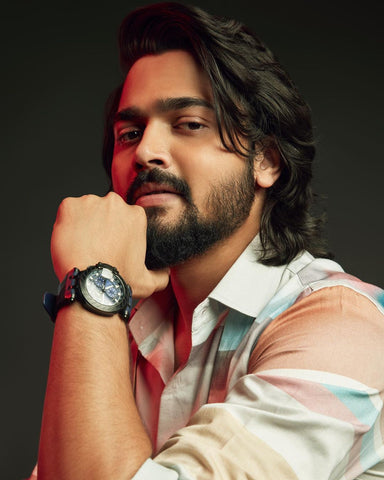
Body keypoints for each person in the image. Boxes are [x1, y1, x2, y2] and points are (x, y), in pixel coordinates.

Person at [31, 2, 384, 479]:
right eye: (129, 133)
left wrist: (93, 283)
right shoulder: (127, 333)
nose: (146, 152)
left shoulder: (343, 327)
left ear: (267, 162)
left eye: (190, 124)